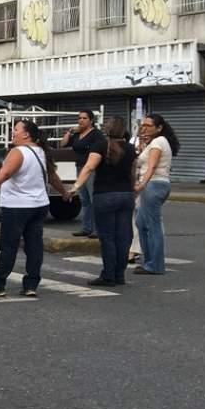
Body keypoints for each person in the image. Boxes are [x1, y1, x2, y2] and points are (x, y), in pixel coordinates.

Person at [0, 120, 69, 298]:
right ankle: (31, 285)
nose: (13, 132)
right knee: (34, 246)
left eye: (16, 130)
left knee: (9, 246)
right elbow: (52, 176)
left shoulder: (17, 152)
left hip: (17, 206)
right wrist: (64, 192)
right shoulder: (41, 152)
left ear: (26, 134)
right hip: (39, 205)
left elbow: (5, 174)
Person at [70, 117, 137, 286]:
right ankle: (119, 274)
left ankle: (108, 275)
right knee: (123, 237)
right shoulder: (130, 148)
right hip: (126, 194)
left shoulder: (100, 145)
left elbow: (89, 167)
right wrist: (133, 190)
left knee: (107, 237)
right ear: (124, 130)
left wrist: (76, 186)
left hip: (105, 194)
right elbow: (133, 173)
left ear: (107, 130)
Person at [133, 114, 179, 276]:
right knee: (141, 223)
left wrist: (141, 185)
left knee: (153, 226)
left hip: (154, 185)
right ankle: (149, 261)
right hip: (155, 185)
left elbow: (151, 167)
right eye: (143, 125)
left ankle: (155, 265)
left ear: (159, 128)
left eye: (148, 125)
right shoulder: (154, 143)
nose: (144, 128)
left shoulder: (159, 142)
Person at [58, 110, 104, 239]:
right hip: (79, 168)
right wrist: (70, 132)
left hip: (91, 168)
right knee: (84, 200)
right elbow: (63, 144)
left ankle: (97, 229)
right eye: (79, 118)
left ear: (91, 120)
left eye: (84, 118)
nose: (81, 120)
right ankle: (86, 227)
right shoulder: (78, 135)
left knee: (93, 198)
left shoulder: (96, 134)